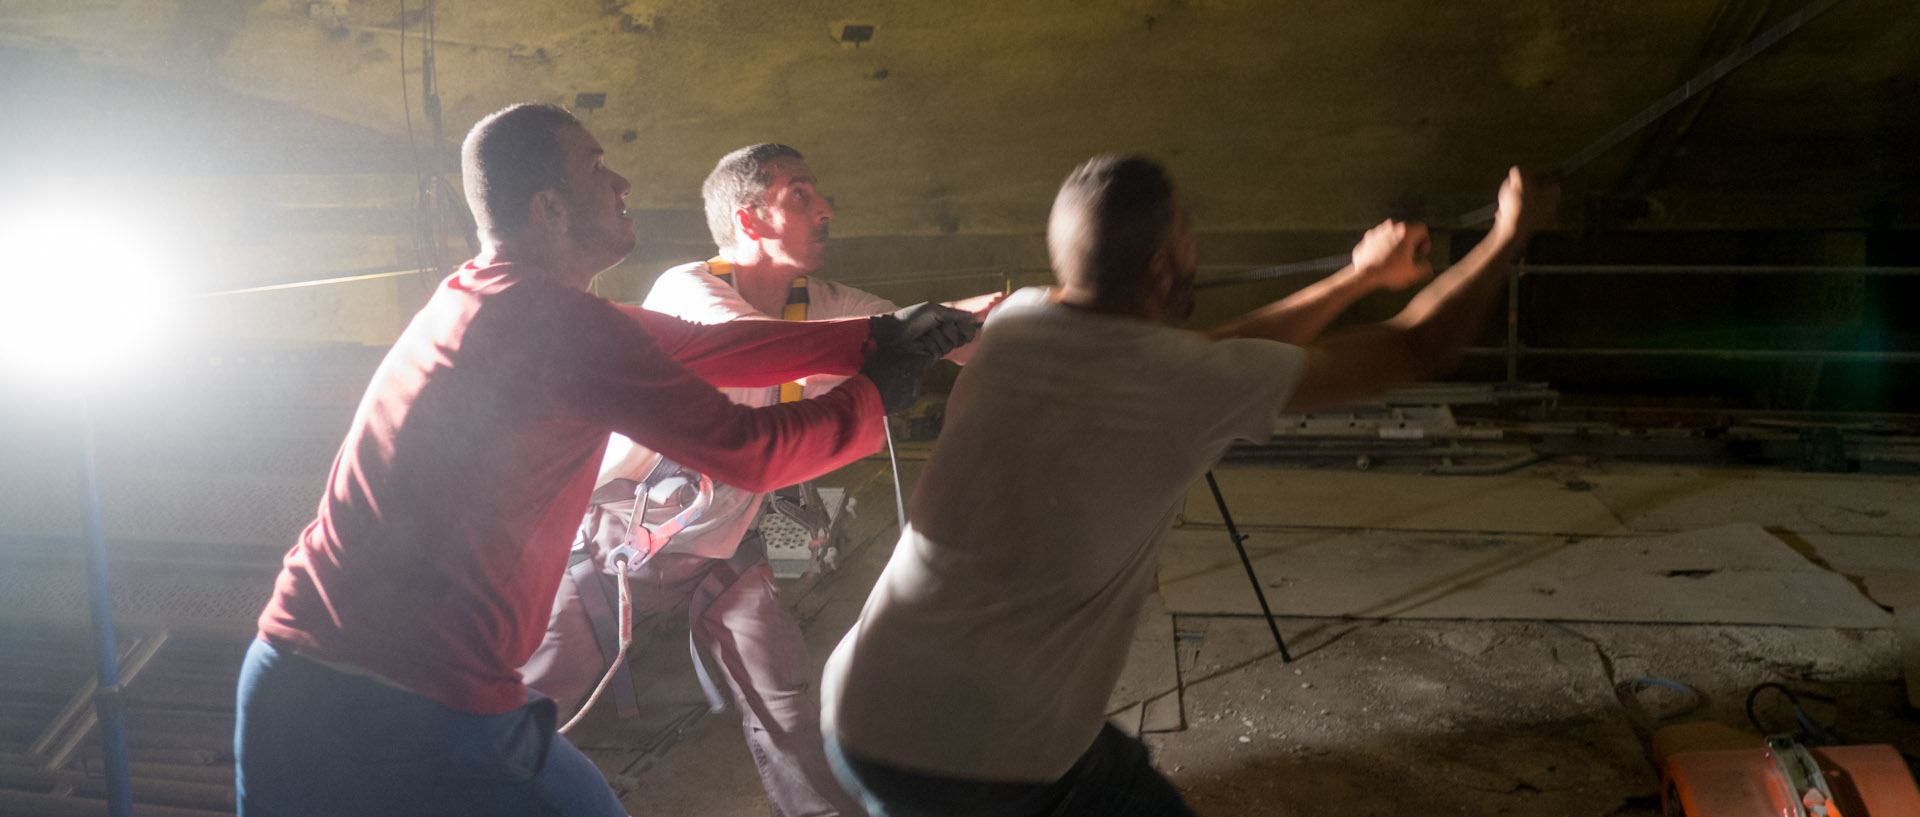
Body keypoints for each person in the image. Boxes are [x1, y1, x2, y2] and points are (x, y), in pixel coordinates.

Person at [233, 104, 974, 817]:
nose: (622, 182)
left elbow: (715, 349)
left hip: (296, 672)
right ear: (551, 208)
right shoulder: (561, 325)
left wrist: (881, 335)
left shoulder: (490, 299)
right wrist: (876, 391)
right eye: (596, 168)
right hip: (411, 699)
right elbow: (751, 451)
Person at [820, 154, 1557, 817]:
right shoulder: (1179, 381)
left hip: (864, 709)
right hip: (991, 759)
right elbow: (1418, 346)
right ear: (1162, 267)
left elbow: (1204, 355)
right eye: (1188, 236)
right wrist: (1510, 234)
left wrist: (1359, 276)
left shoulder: (1019, 319)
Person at [520, 143, 998, 817]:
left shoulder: (822, 302)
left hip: (715, 552)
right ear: (749, 221)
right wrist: (897, 341)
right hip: (608, 551)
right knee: (524, 709)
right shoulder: (688, 291)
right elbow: (751, 350)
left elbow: (933, 331)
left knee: (785, 707)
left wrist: (1032, 320)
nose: (824, 208)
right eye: (800, 195)